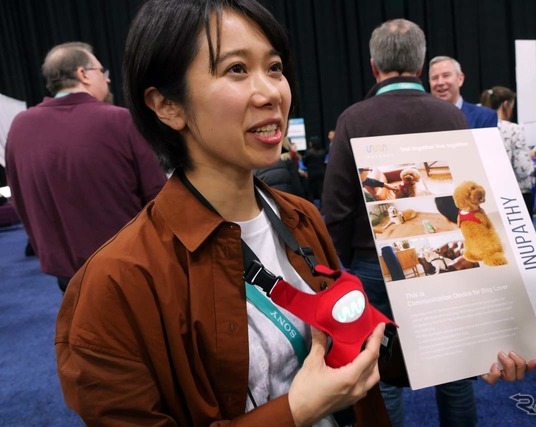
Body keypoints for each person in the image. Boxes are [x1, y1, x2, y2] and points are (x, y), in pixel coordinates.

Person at [56, 1, 391, 425]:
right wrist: (297, 410)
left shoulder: (300, 217)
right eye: (236, 69)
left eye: (274, 68)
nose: (271, 93)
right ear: (167, 105)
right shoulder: (116, 284)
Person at [323, 18, 536, 427]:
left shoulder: (353, 118)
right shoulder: (452, 117)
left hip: (372, 264)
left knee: (380, 371)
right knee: (455, 367)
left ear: (373, 66)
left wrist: (339, 267)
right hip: (445, 253)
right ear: (421, 67)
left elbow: (336, 206)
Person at [5, 42, 166, 292]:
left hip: (66, 274)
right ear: (83, 74)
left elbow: (19, 198)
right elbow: (159, 198)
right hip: (130, 269)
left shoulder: (20, 126)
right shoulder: (120, 121)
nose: (108, 79)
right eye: (102, 72)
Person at [480, 86, 535, 217]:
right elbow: (523, 170)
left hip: (488, 193)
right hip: (515, 196)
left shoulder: (479, 127)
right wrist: (530, 156)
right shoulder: (514, 129)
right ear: (506, 104)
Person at [428, 56, 498, 129]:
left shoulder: (484, 117)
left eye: (446, 76)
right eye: (435, 78)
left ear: (460, 79)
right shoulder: (423, 119)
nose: (440, 82)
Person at [302, 136, 326, 205]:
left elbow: (304, 163)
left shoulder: (308, 153)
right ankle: (322, 206)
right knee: (321, 190)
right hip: (321, 173)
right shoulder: (322, 152)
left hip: (312, 173)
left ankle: (312, 206)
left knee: (311, 191)